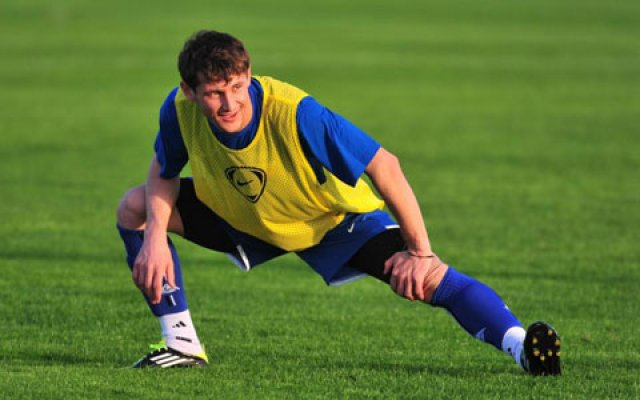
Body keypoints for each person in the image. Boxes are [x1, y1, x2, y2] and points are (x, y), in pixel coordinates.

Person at [116, 30, 561, 375]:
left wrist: (421, 252)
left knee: (429, 280)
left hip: (332, 220)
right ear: (190, 90)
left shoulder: (295, 112)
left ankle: (522, 347)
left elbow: (385, 166)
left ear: (248, 75)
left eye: (236, 86)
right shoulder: (179, 110)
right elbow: (163, 169)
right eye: (215, 92)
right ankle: (182, 345)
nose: (229, 102)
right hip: (244, 214)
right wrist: (154, 239)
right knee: (135, 209)